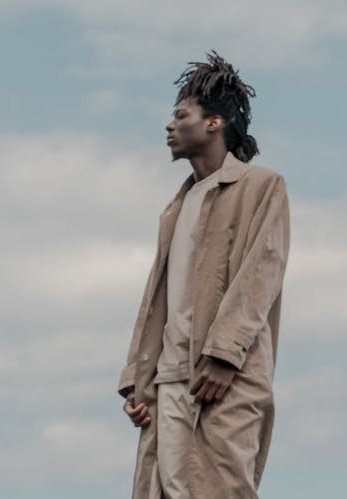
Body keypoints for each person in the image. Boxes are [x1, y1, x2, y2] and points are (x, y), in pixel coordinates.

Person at [118, 51, 290, 498]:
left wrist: (225, 354)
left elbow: (261, 272)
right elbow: (156, 301)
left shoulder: (260, 186)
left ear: (214, 123)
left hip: (223, 380)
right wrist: (137, 380)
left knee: (222, 488)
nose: (169, 126)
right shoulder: (177, 206)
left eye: (181, 115)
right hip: (167, 382)